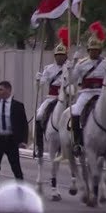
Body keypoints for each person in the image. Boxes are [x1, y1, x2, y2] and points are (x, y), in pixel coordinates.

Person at [68, 21, 106, 157]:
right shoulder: (82, 64)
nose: (94, 52)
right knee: (76, 112)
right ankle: (78, 143)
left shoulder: (105, 63)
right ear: (88, 50)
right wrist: (73, 64)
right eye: (91, 50)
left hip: (101, 93)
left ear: (100, 51)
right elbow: (71, 79)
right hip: (86, 93)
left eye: (96, 50)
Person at [34, 27, 69, 157]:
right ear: (55, 56)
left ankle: (78, 143)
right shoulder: (49, 68)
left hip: (66, 98)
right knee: (39, 115)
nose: (60, 57)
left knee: (77, 116)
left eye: (62, 55)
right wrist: (38, 79)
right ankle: (40, 146)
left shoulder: (69, 66)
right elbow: (42, 82)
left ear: (66, 55)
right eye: (58, 55)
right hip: (51, 97)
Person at [0, 81, 28, 190]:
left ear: (9, 90)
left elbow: (23, 124)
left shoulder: (18, 106)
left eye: (1, 89)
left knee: (16, 168)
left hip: (11, 140)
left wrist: (23, 140)